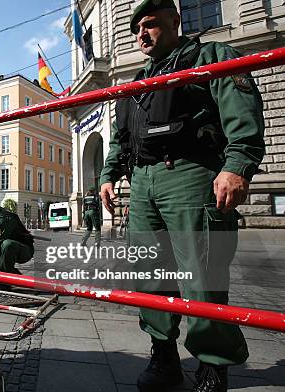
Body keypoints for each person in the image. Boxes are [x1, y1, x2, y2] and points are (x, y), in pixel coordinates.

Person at [99, 1, 265, 391]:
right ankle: (164, 357)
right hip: (142, 183)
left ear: (175, 21)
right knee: (150, 275)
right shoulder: (137, 82)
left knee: (202, 273)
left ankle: (213, 363)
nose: (142, 33)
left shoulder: (210, 56)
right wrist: (109, 175)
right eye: (136, 28)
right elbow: (121, 139)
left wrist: (237, 164)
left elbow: (242, 112)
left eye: (151, 24)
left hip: (191, 175)